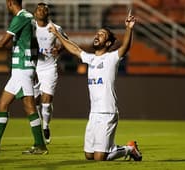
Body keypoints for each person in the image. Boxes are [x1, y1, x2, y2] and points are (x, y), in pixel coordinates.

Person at [49, 11, 142, 161]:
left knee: (99, 158)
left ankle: (129, 149)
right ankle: (121, 148)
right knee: (89, 155)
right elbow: (75, 49)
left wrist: (129, 29)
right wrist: (57, 34)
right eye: (97, 33)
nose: (97, 36)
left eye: (102, 34)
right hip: (94, 114)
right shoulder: (90, 59)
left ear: (108, 43)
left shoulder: (111, 58)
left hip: (107, 112)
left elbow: (125, 47)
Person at [0, 0, 48, 155]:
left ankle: (40, 145)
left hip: (22, 68)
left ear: (9, 3)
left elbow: (2, 43)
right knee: (2, 103)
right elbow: (31, 42)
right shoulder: (30, 17)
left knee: (29, 106)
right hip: (20, 69)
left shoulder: (20, 17)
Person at [33, 2, 68, 144]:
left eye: (44, 9)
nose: (41, 11)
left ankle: (45, 126)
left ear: (48, 13)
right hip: (32, 67)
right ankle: (39, 123)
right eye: (39, 9)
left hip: (49, 68)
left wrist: (59, 50)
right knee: (34, 101)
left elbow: (66, 42)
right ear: (35, 13)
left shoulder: (55, 28)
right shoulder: (29, 26)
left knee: (46, 101)